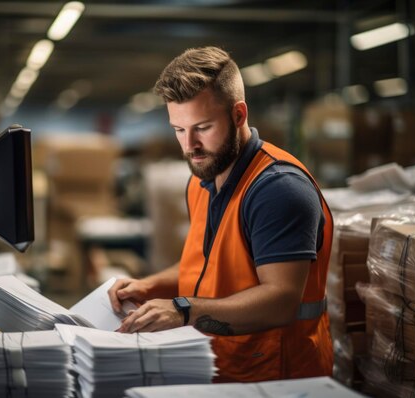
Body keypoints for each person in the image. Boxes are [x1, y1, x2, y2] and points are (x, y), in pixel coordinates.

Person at [108, 46, 333, 383]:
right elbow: (207, 268)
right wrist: (149, 286)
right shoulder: (202, 181)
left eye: (203, 127)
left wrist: (183, 310)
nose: (189, 146)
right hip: (219, 369)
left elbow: (281, 301)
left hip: (278, 378)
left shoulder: (277, 189)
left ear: (239, 114)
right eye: (179, 130)